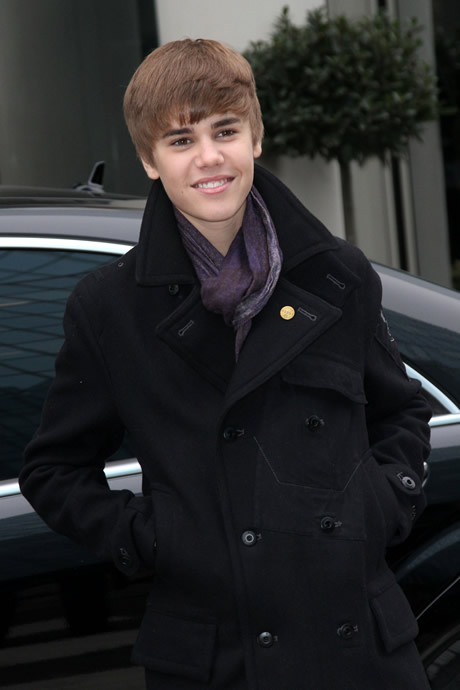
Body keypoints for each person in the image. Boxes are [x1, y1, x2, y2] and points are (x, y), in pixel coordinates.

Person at [20, 38, 432, 690]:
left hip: (358, 649)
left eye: (225, 130)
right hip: (217, 658)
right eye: (180, 140)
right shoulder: (109, 309)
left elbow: (401, 410)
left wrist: (380, 506)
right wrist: (158, 538)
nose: (209, 157)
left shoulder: (337, 275)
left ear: (256, 138)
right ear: (150, 160)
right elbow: (52, 471)